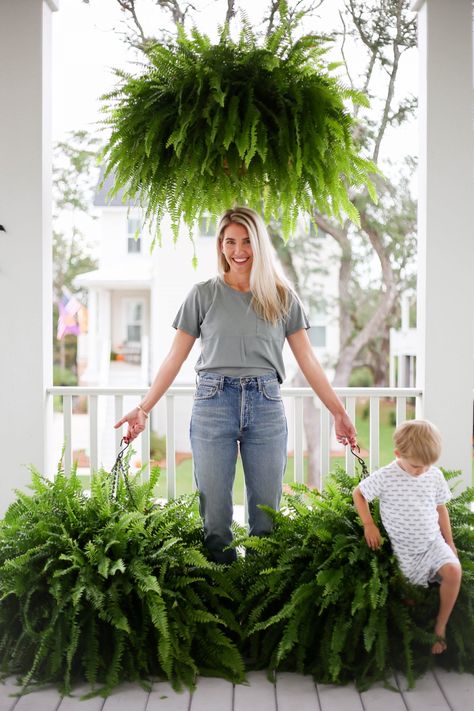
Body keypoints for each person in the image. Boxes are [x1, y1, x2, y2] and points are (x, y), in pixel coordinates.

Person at [115, 206, 357, 563]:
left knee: (266, 519)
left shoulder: (281, 296)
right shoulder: (203, 294)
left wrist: (338, 411)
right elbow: (174, 358)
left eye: (246, 241)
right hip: (214, 403)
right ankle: (222, 601)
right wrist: (144, 406)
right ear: (221, 245)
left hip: (266, 403)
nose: (238, 250)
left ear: (259, 245)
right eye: (230, 241)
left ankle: (258, 604)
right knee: (215, 517)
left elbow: (308, 360)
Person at [352, 419, 462, 654]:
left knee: (454, 571)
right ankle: (408, 644)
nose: (420, 470)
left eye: (426, 465)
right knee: (408, 602)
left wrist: (449, 542)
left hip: (433, 543)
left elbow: (441, 508)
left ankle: (440, 627)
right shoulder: (386, 476)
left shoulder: (433, 475)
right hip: (404, 551)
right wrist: (368, 524)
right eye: (415, 465)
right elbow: (359, 494)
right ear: (398, 453)